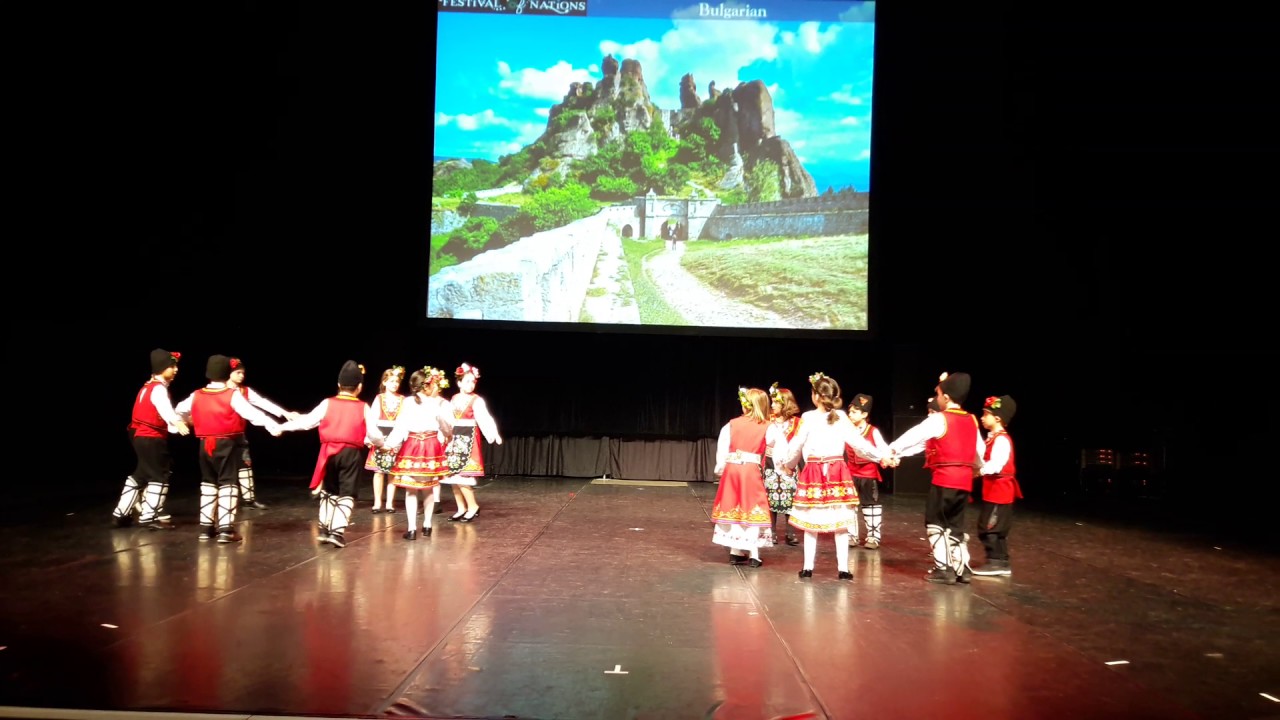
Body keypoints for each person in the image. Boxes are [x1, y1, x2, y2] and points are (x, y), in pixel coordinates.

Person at [782, 373, 886, 580]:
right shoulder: (839, 418)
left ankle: (808, 567)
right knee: (840, 521)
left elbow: (796, 445)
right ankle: (843, 569)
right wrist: (883, 456)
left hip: (816, 470)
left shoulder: (809, 418)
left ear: (816, 396)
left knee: (812, 520)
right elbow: (860, 444)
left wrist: (788, 465)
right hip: (836, 470)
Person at [885, 372, 986, 584]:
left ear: (946, 397)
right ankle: (962, 569)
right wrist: (978, 467)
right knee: (956, 525)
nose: (936, 396)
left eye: (938, 393)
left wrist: (893, 448)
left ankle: (944, 569)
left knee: (936, 522)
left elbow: (915, 434)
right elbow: (979, 449)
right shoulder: (972, 420)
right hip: (964, 482)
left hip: (944, 480)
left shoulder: (940, 419)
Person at [174, 355, 283, 543]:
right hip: (226, 443)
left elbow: (179, 409)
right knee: (228, 483)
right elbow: (252, 414)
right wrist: (272, 426)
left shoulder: (196, 394)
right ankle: (226, 529)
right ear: (226, 373)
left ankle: (206, 528)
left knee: (208, 483)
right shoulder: (231, 395)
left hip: (204, 444)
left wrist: (182, 421)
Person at [278, 360, 383, 548]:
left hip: (328, 452)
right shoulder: (362, 407)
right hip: (350, 453)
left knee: (329, 490)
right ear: (359, 387)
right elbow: (374, 433)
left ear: (338, 385)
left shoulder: (327, 403)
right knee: (347, 492)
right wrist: (381, 444)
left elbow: (308, 422)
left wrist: (282, 427)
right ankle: (336, 532)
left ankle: (325, 528)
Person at [113, 348, 190, 530]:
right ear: (162, 368)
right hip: (150, 437)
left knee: (140, 475)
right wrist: (177, 422)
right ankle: (149, 517)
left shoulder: (147, 387)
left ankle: (121, 513)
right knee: (159, 475)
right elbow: (164, 409)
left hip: (140, 436)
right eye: (172, 366)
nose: (176, 369)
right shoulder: (158, 389)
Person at [384, 366, 455, 540]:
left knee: (411, 489)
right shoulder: (434, 403)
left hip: (413, 445)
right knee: (429, 489)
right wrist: (447, 435)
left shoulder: (407, 402)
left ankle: (411, 529)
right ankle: (428, 525)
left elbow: (400, 427)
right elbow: (446, 427)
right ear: (426, 386)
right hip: (430, 446)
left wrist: (388, 444)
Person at [226, 356, 299, 510]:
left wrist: (285, 413)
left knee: (245, 465)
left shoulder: (245, 391)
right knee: (224, 470)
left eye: (242, 373)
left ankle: (249, 500)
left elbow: (262, 402)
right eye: (238, 372)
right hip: (223, 435)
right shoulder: (222, 391)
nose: (241, 375)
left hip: (239, 434)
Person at [710, 387, 773, 567]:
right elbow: (779, 447)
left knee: (734, 506)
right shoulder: (767, 426)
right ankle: (753, 554)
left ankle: (735, 552)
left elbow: (722, 448)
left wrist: (721, 468)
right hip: (750, 471)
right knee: (752, 508)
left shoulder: (731, 424)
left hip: (732, 470)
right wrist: (784, 465)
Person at [442, 362, 502, 522]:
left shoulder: (476, 400)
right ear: (459, 382)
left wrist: (493, 433)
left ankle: (473, 506)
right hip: (454, 438)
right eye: (467, 381)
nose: (470, 385)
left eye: (473, 381)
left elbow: (484, 418)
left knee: (463, 476)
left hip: (468, 438)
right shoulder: (454, 398)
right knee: (453, 476)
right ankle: (461, 507)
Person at [971, 395, 1021, 576]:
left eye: (986, 414)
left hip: (1000, 491)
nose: (983, 417)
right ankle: (1000, 561)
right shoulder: (992, 438)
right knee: (992, 526)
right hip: (993, 491)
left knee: (990, 527)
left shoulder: (1001, 440)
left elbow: (997, 464)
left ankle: (997, 561)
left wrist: (980, 471)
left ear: (998, 418)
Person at [846, 393, 889, 549]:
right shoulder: (847, 430)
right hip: (850, 473)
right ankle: (851, 535)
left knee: (870, 505)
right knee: (850, 505)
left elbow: (882, 447)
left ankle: (873, 536)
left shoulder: (872, 431)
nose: (850, 415)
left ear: (864, 414)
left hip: (868, 473)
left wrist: (887, 458)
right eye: (850, 411)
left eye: (855, 412)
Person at [763, 383, 801, 547]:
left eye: (776, 402)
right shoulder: (768, 421)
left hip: (789, 465)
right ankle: (771, 531)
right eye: (772, 402)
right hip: (771, 465)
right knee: (770, 497)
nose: (773, 405)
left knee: (790, 498)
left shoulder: (797, 423)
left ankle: (790, 532)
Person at [365, 366, 406, 514]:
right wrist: (370, 437)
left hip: (395, 436)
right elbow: (372, 419)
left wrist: (400, 439)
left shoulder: (402, 400)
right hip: (380, 435)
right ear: (385, 382)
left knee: (392, 471)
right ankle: (377, 502)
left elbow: (403, 420)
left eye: (397, 381)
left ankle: (389, 502)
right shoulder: (379, 398)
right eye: (391, 381)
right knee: (379, 471)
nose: (394, 384)